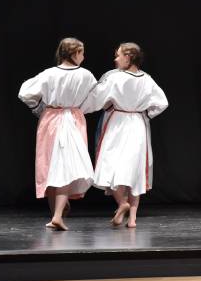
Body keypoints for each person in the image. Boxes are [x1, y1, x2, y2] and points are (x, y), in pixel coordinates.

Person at [83, 42, 168, 228]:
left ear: (128, 57)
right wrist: (145, 113)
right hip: (137, 123)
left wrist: (79, 108)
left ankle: (122, 203)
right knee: (134, 170)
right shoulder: (147, 79)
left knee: (110, 164)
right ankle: (133, 218)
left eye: (118, 55)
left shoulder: (115, 78)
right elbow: (162, 102)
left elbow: (96, 98)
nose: (115, 59)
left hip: (118, 123)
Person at [18, 38, 96, 230]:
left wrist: (41, 108)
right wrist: (78, 108)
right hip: (71, 119)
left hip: (51, 119)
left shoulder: (49, 74)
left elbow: (25, 92)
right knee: (63, 166)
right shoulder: (85, 75)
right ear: (74, 53)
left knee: (54, 165)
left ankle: (56, 213)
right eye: (82, 52)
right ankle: (57, 215)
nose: (83, 56)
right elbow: (95, 97)